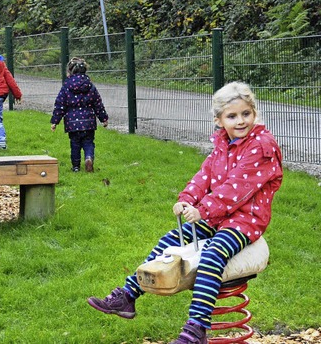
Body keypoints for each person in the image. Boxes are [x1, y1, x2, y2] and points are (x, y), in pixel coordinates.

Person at [87, 81, 283, 344]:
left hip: (244, 221)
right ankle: (127, 296)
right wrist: (186, 199)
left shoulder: (261, 146)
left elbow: (236, 188)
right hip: (217, 217)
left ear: (254, 113)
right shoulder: (224, 144)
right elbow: (204, 176)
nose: (240, 121)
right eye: (232, 116)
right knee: (169, 242)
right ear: (219, 120)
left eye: (246, 114)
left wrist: (202, 210)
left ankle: (196, 328)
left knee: (212, 256)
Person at [50, 57, 108, 172]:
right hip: (88, 122)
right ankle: (88, 158)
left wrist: (55, 121)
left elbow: (60, 105)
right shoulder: (90, 86)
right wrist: (103, 118)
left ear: (70, 71)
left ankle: (76, 167)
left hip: (72, 123)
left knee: (75, 145)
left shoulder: (66, 86)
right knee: (88, 142)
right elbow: (98, 103)